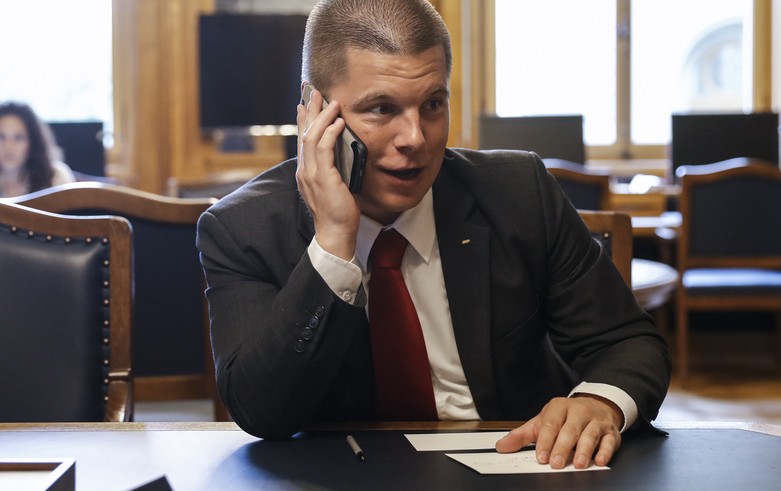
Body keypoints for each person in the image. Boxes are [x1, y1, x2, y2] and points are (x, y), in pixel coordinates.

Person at [196, 0, 670, 470]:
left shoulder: (518, 191)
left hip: (519, 467)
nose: (416, 138)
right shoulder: (244, 229)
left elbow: (628, 342)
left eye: (433, 105)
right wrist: (333, 243)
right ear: (313, 113)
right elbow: (262, 410)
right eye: (382, 109)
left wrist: (599, 404)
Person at [0, 101, 76, 198]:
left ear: (33, 142)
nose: (8, 146)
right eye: (1, 137)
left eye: (18, 138)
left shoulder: (55, 177)